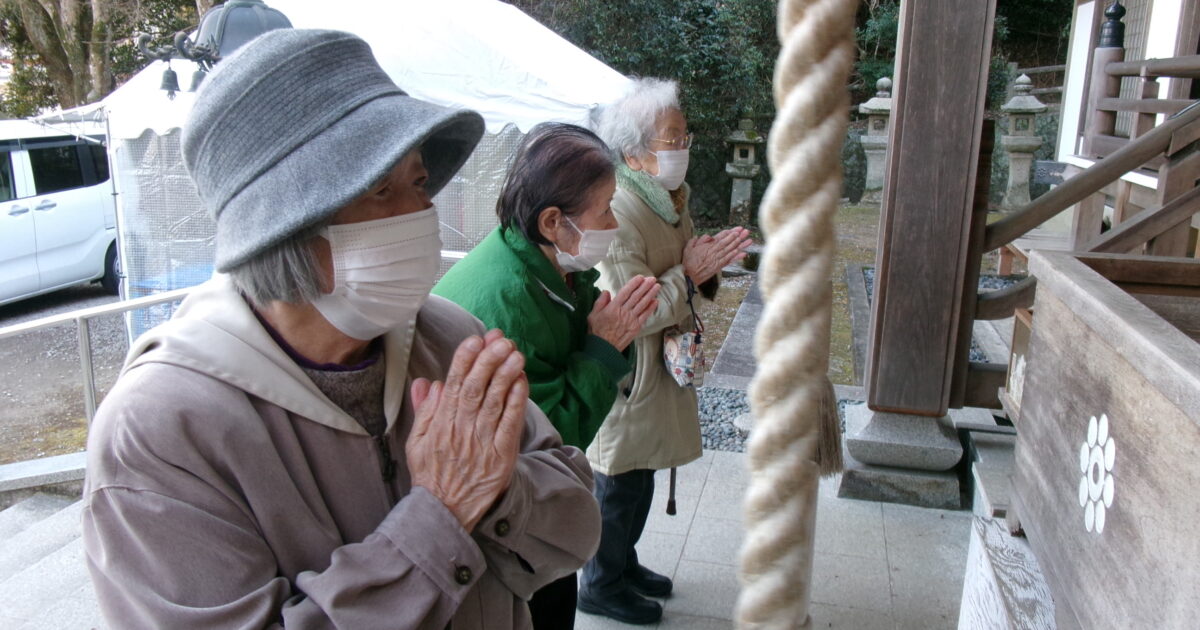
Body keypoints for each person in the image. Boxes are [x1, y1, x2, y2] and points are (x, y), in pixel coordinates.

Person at [81, 29, 600, 630]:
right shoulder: (159, 432)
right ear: (282, 228)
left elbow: (577, 529)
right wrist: (441, 514)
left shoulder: (449, 338)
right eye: (382, 189)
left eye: (419, 182)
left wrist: (500, 492)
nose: (422, 214)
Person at [433, 122, 660, 628]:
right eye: (605, 210)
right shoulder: (507, 305)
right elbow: (551, 438)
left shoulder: (547, 265)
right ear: (554, 221)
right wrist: (604, 349)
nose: (614, 224)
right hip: (496, 520)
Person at [579, 78, 751, 625]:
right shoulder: (622, 210)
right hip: (630, 372)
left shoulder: (672, 201)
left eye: (684, 135)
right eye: (671, 137)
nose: (682, 147)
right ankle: (600, 584)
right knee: (619, 479)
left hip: (661, 368)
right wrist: (690, 272)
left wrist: (704, 270)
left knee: (643, 472)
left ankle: (623, 565)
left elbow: (689, 273)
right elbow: (633, 309)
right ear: (634, 153)